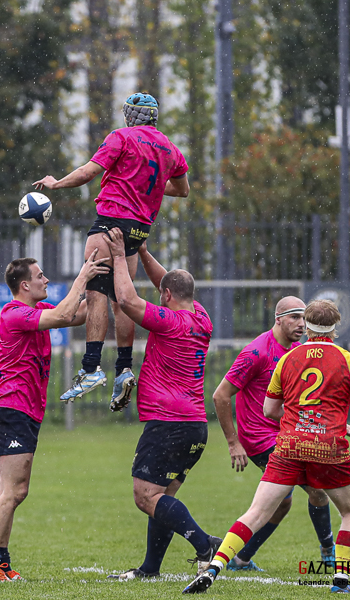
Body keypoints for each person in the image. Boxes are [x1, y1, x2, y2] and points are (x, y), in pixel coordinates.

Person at [183, 299, 350, 595]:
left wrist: (302, 420)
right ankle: (341, 579)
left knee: (255, 512)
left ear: (308, 327)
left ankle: (215, 567)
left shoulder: (287, 359)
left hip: (289, 447)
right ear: (335, 327)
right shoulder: (348, 359)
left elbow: (269, 409)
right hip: (327, 448)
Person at [33, 92, 190, 411]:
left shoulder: (122, 137)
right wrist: (147, 182)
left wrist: (56, 183)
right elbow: (182, 189)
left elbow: (88, 172)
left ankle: (91, 367)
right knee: (121, 300)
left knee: (95, 293)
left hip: (111, 221)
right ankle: (124, 368)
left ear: (130, 116)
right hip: (139, 229)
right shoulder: (171, 149)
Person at [0, 251, 109, 582]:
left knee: (17, 491)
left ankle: (1, 562)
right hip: (11, 409)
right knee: (11, 492)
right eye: (40, 276)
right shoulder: (14, 313)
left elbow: (78, 314)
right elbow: (64, 313)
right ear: (24, 285)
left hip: (24, 411)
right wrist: (83, 276)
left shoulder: (36, 310)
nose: (46, 280)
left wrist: (105, 286)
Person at [101, 229, 221, 580]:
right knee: (162, 496)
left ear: (166, 296)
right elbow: (168, 283)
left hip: (169, 423)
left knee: (145, 497)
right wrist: (143, 251)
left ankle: (205, 544)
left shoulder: (170, 322)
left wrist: (120, 254)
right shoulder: (202, 318)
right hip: (194, 426)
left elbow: (126, 299)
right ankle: (150, 569)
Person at [212, 297, 346, 570]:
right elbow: (220, 395)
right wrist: (233, 442)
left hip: (287, 433)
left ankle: (240, 559)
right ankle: (328, 552)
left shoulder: (298, 351)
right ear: (278, 319)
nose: (301, 324)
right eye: (294, 317)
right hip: (260, 438)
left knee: (283, 503)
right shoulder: (256, 352)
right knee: (318, 490)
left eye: (304, 318)